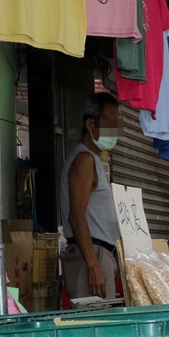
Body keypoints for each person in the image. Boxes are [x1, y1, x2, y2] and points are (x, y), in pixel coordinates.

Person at [60, 92, 122, 300]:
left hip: (98, 255)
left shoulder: (93, 159)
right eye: (110, 123)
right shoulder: (84, 159)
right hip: (90, 256)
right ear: (90, 124)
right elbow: (76, 217)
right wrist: (93, 266)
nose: (115, 130)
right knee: (96, 327)